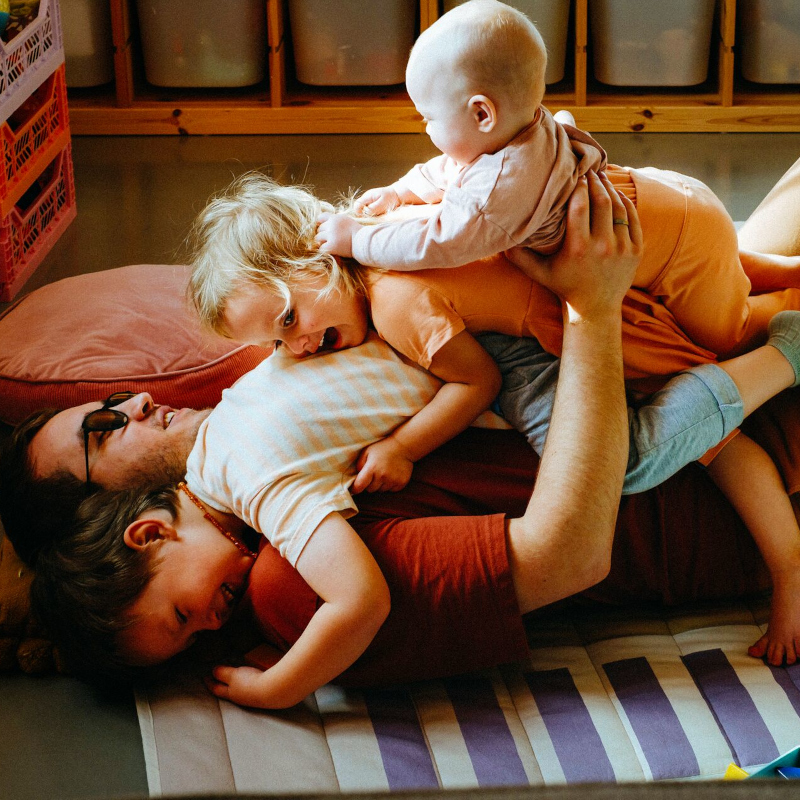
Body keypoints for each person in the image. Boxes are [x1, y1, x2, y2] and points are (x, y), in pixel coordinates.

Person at [31, 170, 638, 708]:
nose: (212, 624)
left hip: (521, 338)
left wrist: (284, 685)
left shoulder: (258, 482)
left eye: (186, 616)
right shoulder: (234, 434)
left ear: (146, 530)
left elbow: (359, 601)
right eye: (197, 636)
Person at [189, 169, 800, 665]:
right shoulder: (387, 224)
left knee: (701, 413)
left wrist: (403, 447)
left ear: (316, 250)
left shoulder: (393, 299)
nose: (295, 352)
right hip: (650, 212)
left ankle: (790, 348)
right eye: (275, 345)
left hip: (615, 262)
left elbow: (476, 381)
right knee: (725, 353)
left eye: (289, 319)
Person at [316, 0, 800, 360]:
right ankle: (789, 269)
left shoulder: (502, 192)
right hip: (674, 207)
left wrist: (359, 238)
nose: (425, 129)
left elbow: (439, 239)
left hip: (676, 244)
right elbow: (450, 170)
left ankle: (786, 305)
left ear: (482, 113)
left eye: (429, 117)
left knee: (728, 335)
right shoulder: (519, 134)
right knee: (723, 263)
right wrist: (402, 190)